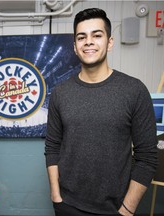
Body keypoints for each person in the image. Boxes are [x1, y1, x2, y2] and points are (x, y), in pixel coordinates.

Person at [44, 8, 158, 216]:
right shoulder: (60, 93)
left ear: (110, 42)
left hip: (116, 209)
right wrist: (56, 196)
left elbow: (147, 158)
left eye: (97, 35)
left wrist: (127, 210)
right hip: (67, 205)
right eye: (81, 37)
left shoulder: (134, 90)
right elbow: (52, 147)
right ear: (75, 47)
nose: (88, 41)